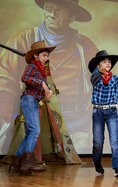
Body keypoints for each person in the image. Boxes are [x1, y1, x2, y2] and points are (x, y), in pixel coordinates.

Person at [0, 0, 98, 154]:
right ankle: (23, 160)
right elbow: (4, 78)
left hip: (75, 123)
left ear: (72, 17)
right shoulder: (23, 38)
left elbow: (99, 79)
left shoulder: (85, 46)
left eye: (59, 11)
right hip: (34, 114)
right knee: (30, 138)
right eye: (49, 9)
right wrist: (9, 115)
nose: (52, 15)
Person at [9, 41, 55, 174]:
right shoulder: (33, 66)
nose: (47, 58)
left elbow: (46, 87)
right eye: (44, 55)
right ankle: (27, 162)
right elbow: (25, 78)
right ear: (36, 56)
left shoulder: (41, 69)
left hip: (33, 101)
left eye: (47, 55)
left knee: (30, 132)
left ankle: (16, 164)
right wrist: (41, 83)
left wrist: (49, 91)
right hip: (29, 99)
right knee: (35, 130)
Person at [88, 50, 118, 177]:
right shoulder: (95, 77)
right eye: (104, 61)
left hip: (112, 112)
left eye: (109, 62)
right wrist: (100, 70)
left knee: (115, 140)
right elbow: (94, 76)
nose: (107, 63)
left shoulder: (113, 79)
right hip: (98, 111)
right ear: (98, 65)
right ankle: (97, 162)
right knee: (98, 141)